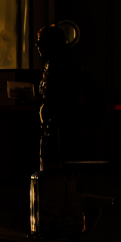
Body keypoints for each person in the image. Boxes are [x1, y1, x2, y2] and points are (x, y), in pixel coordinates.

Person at [36, 24, 84, 170]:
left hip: (56, 128)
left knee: (52, 167)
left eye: (41, 41)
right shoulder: (66, 66)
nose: (38, 45)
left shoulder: (55, 68)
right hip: (60, 127)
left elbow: (54, 99)